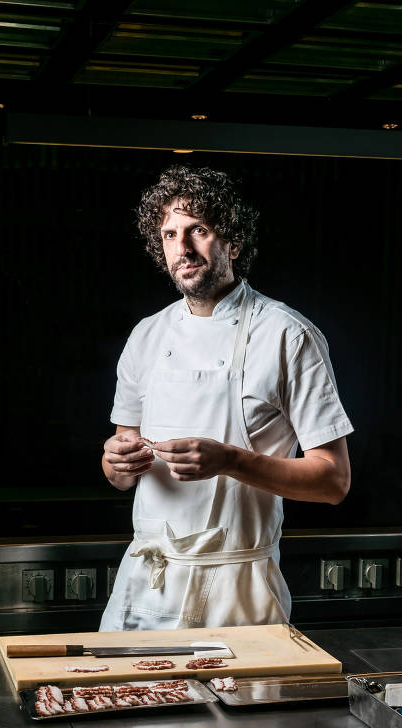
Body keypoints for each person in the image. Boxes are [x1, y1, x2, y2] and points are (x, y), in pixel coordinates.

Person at [99, 165, 353, 632]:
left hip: (238, 590)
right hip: (146, 584)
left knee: (234, 708)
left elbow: (333, 481)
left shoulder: (287, 335)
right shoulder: (146, 336)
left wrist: (230, 460)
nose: (184, 247)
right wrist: (115, 463)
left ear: (232, 243)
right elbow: (120, 466)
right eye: (171, 234)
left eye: (200, 229)